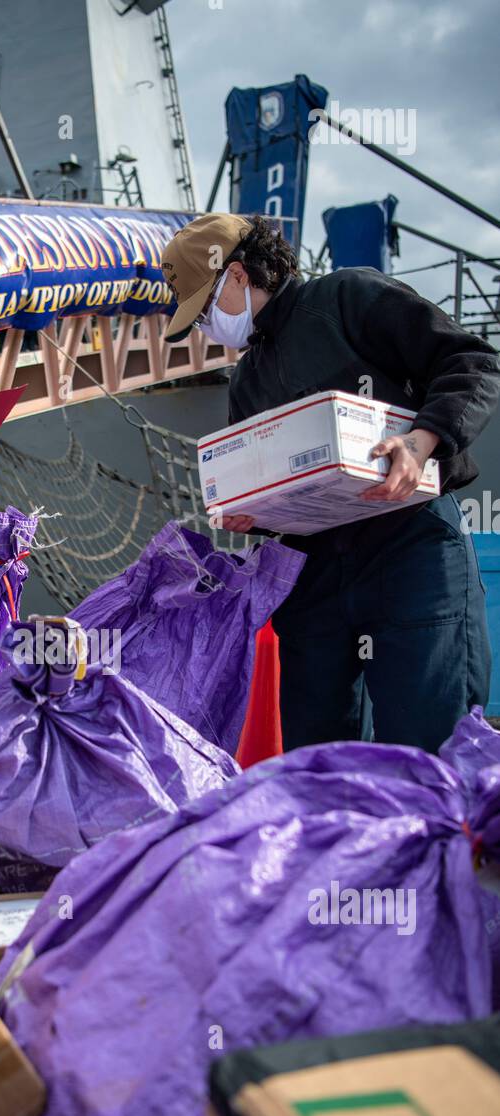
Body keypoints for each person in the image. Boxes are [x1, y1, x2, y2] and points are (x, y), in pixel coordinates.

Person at [162, 212, 500, 753]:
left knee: (431, 746)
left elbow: (473, 362)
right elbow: (264, 479)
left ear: (239, 276)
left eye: (204, 309)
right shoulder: (247, 377)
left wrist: (420, 441)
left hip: (411, 545)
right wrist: (253, 513)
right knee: (317, 754)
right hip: (314, 569)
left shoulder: (348, 296)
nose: (204, 326)